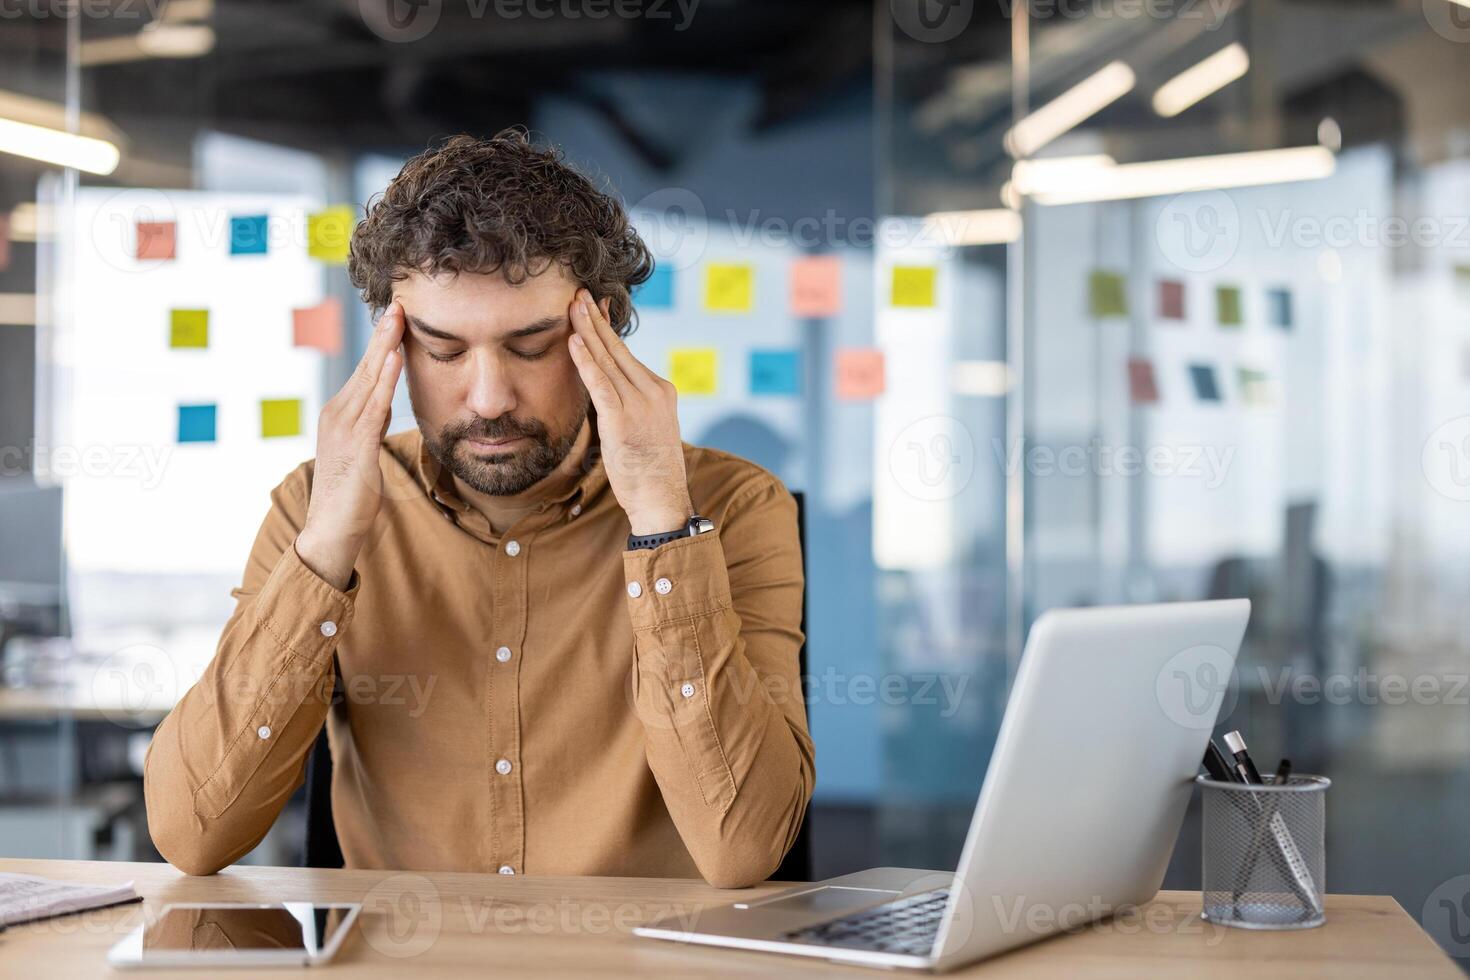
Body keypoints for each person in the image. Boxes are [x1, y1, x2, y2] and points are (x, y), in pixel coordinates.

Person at [143, 130, 812, 888]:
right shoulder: (314, 506)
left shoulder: (730, 508)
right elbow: (190, 834)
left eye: (532, 347)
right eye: (443, 350)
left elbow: (743, 849)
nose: (489, 399)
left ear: (604, 334)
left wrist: (662, 522)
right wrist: (326, 547)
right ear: (391, 349)